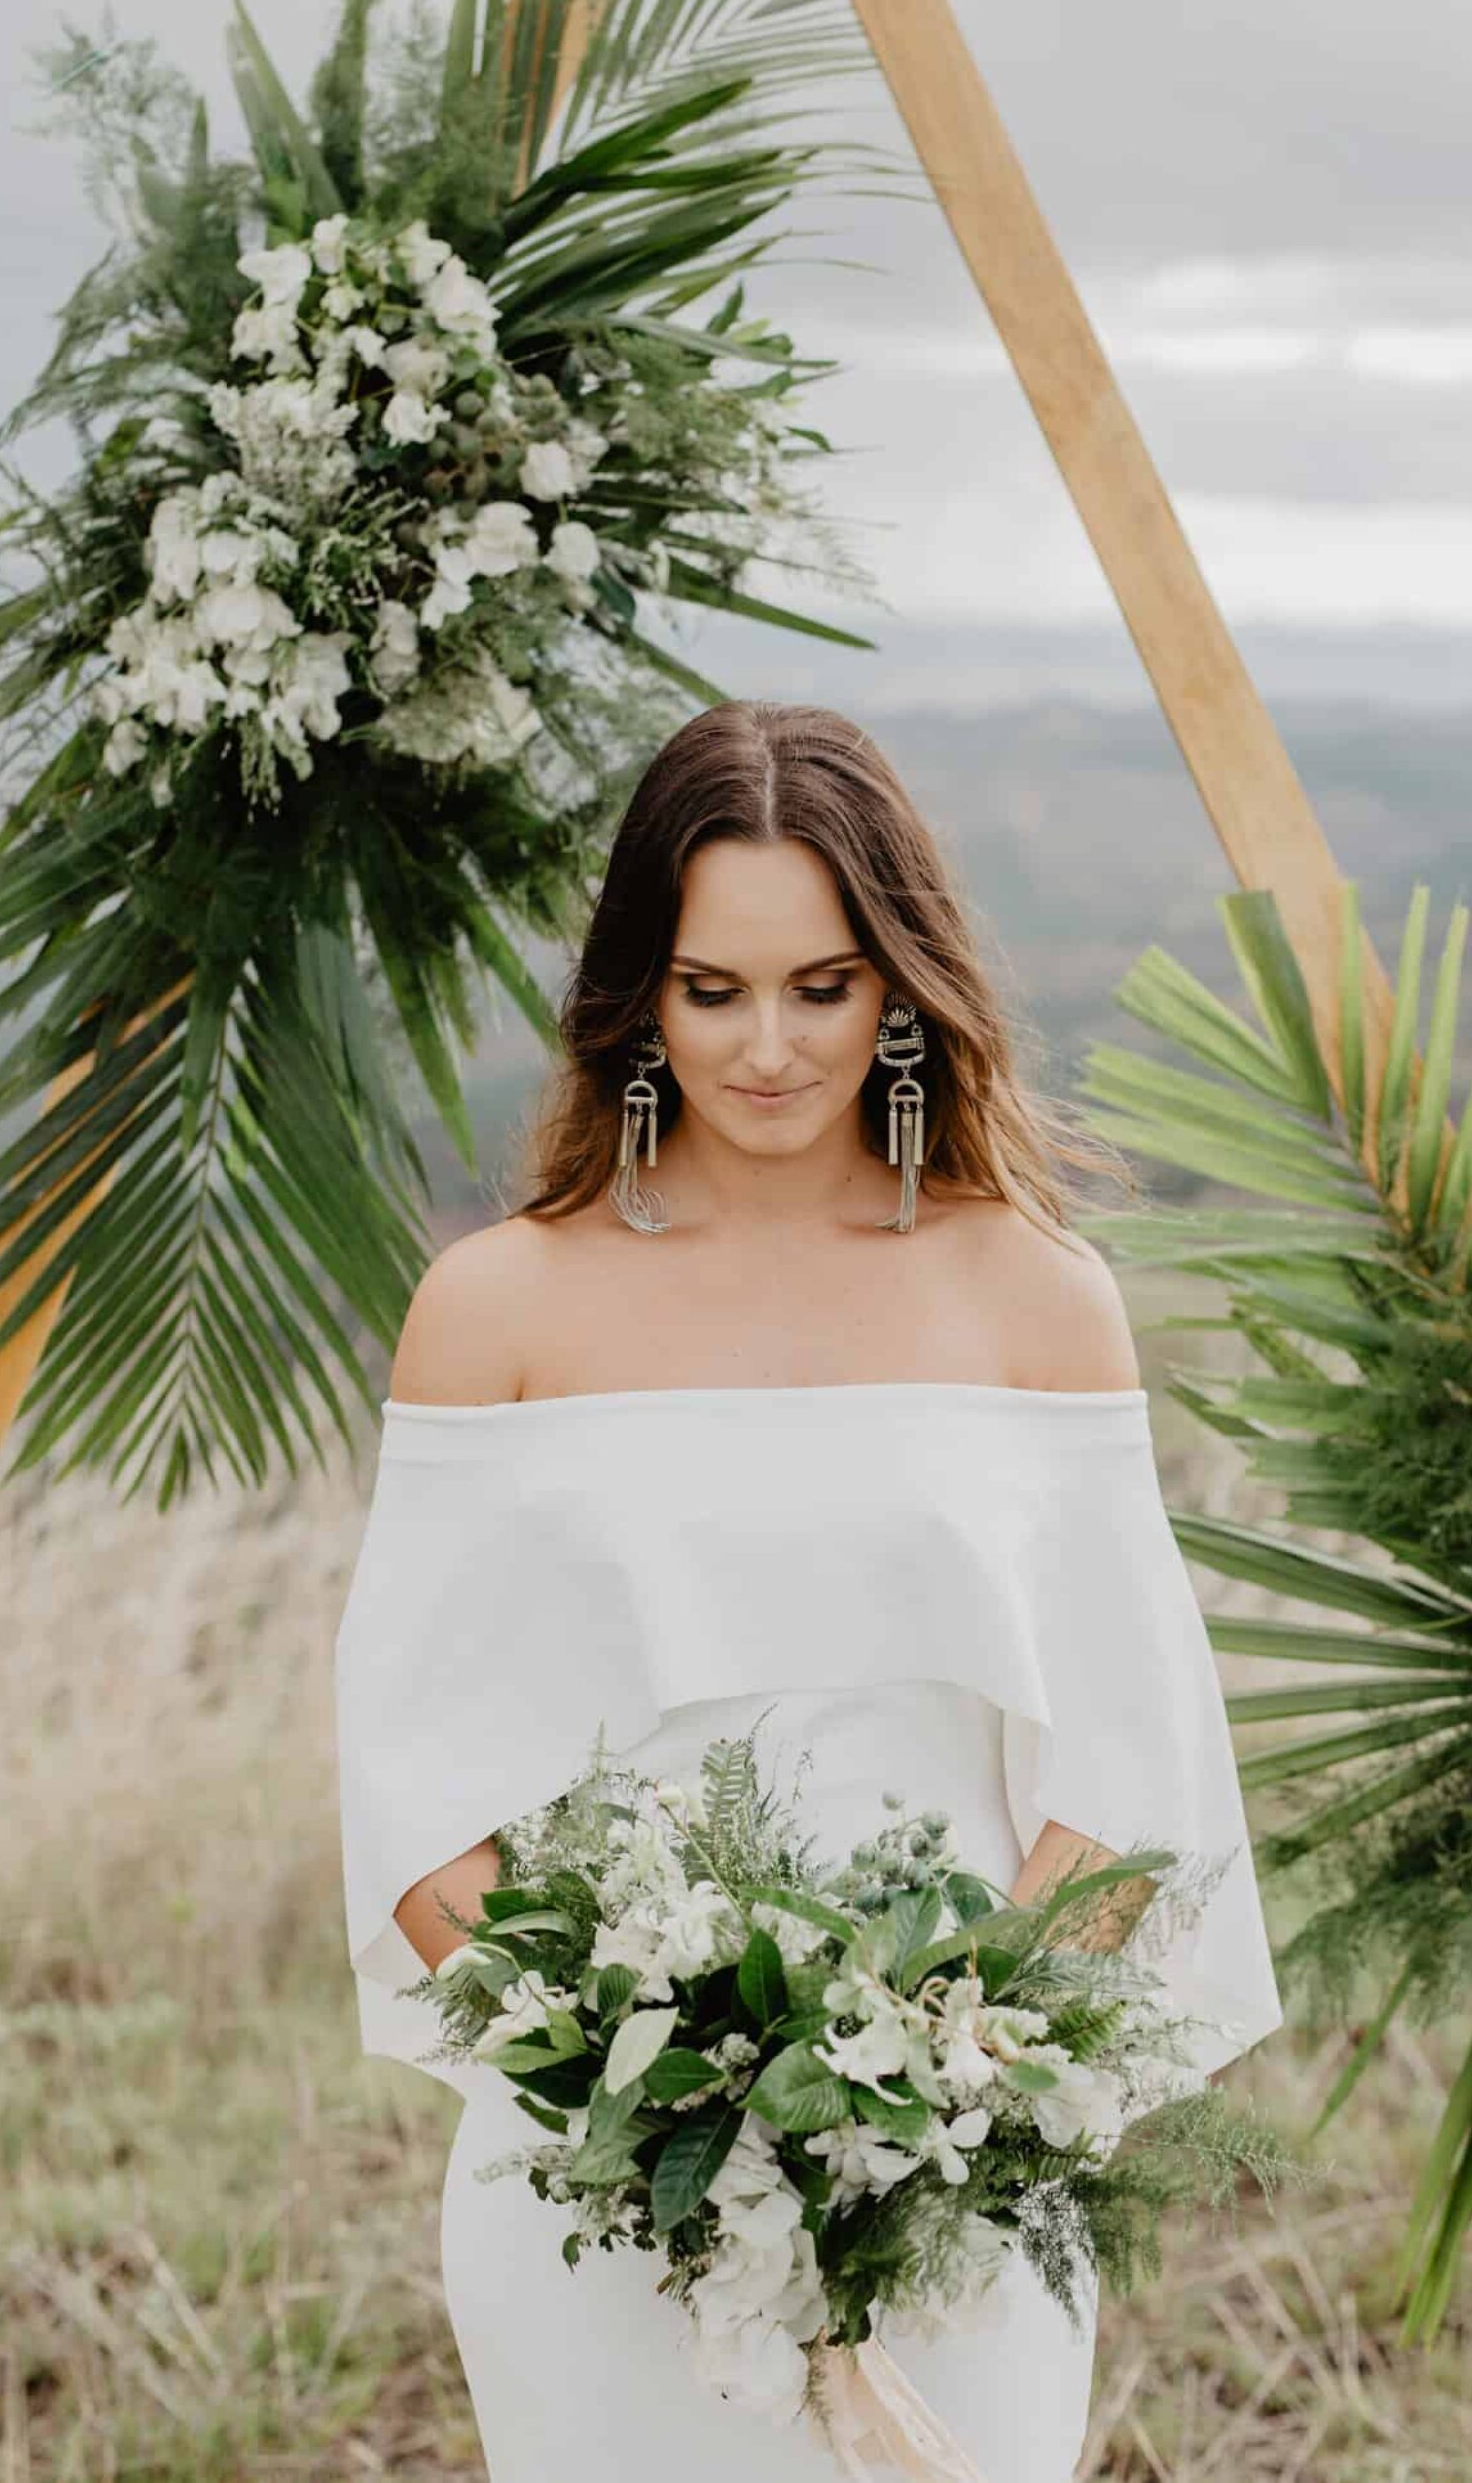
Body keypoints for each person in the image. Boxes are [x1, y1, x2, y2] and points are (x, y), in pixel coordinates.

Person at [333, 699, 1283, 2481]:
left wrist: (948, 2082)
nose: (767, 1046)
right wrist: (638, 2093)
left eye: (823, 987)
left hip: (962, 2168)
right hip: (597, 2175)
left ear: (902, 988)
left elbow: (1125, 1766)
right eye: (713, 990)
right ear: (641, 993)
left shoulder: (1037, 1298)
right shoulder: (497, 1311)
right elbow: (409, 1791)